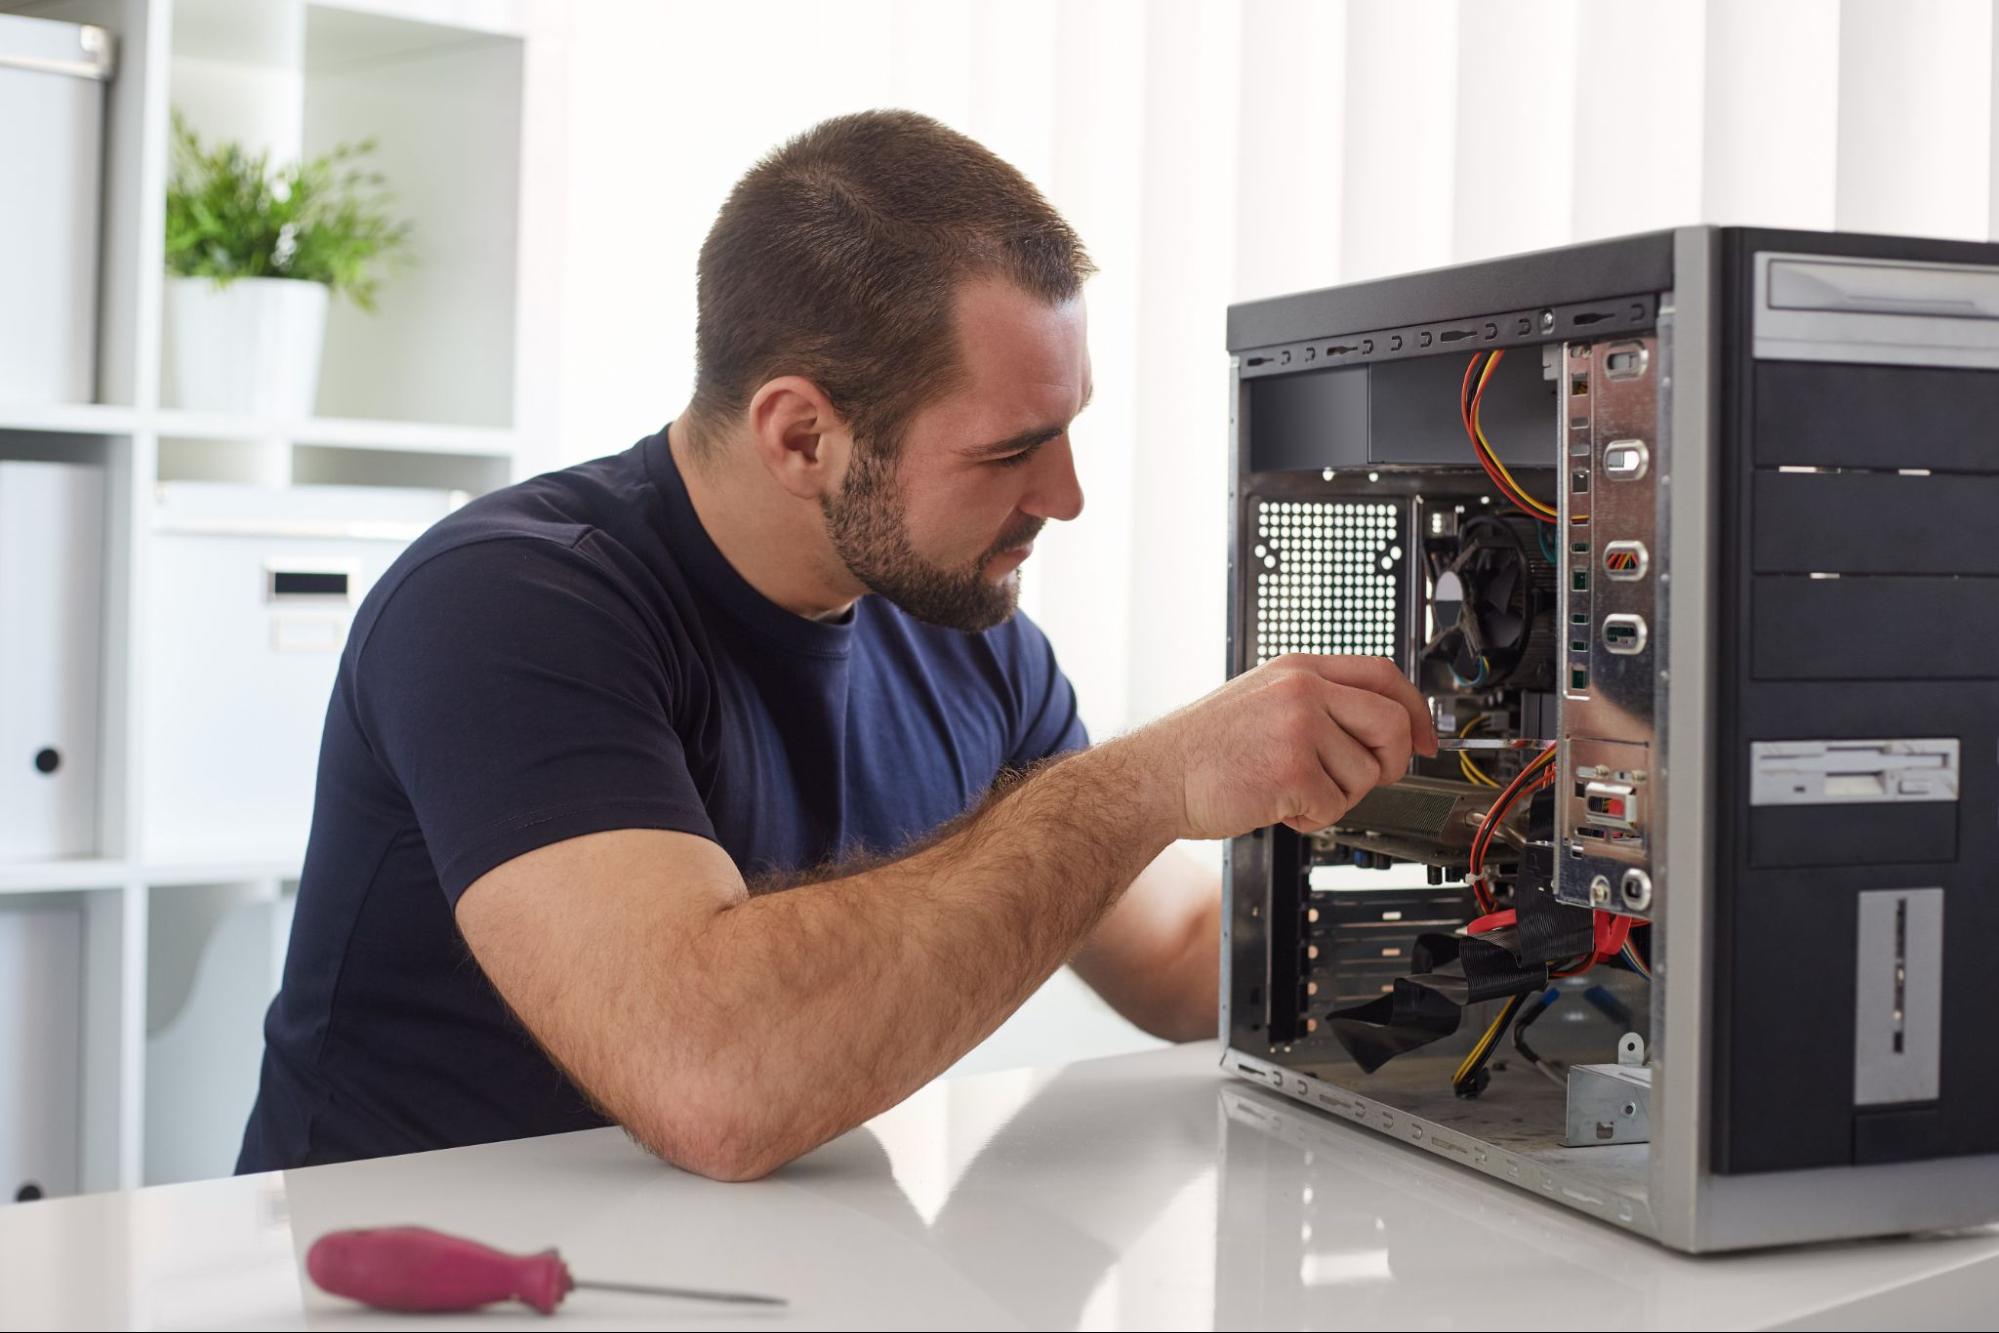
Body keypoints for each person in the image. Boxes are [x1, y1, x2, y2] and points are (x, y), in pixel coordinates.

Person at [237, 109, 1435, 1181]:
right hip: (421, 1287)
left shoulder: (968, 637)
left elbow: (1176, 956)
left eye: (1068, 432)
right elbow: (714, 1083)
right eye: (1010, 449)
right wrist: (1149, 781)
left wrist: (1538, 917)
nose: (1065, 497)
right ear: (803, 435)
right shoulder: (504, 606)